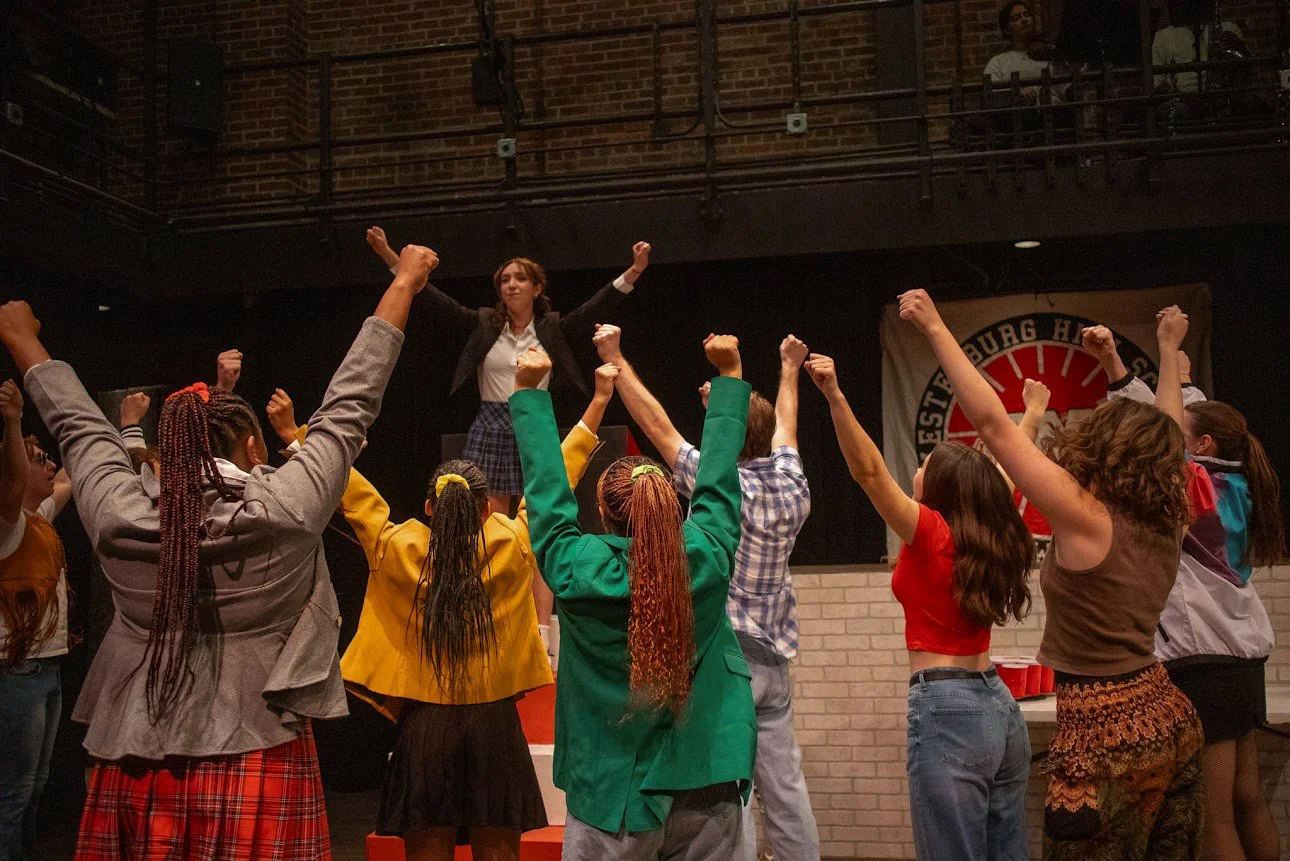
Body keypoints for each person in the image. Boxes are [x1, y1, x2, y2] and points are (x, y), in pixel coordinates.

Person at [0, 243, 439, 860]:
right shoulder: (285, 508)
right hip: (258, 747)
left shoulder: (120, 515)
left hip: (137, 756)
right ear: (254, 448)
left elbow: (78, 425)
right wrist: (404, 284)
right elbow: (350, 404)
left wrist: (22, 339)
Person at [263, 365, 618, 861]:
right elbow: (554, 480)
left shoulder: (397, 547)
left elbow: (348, 490)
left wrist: (293, 435)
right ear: (486, 510)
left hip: (425, 732)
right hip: (494, 730)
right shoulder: (512, 543)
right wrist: (598, 402)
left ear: (430, 508)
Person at [900, 289, 1203, 859]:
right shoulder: (1170, 517)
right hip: (1169, 716)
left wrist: (937, 328)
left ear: (1106, 449)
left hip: (1103, 733)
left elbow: (993, 426)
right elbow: (1167, 435)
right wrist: (1166, 352)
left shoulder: (1088, 518)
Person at [510, 338, 756, 860]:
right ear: (669, 507)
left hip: (611, 793)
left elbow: (548, 500)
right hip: (705, 780)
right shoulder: (705, 557)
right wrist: (730, 379)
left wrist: (530, 394)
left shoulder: (576, 567)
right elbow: (717, 485)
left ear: (603, 512)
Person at [367, 226, 651, 658]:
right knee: (491, 528)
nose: (511, 285)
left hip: (533, 420)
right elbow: (432, 298)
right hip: (492, 424)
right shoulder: (485, 323)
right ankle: (494, 619)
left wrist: (633, 271)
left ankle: (542, 631)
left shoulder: (551, 328)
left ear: (536, 288)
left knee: (542, 525)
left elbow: (596, 306)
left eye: (520, 278)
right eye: (504, 280)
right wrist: (391, 256)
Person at [592, 323, 818, 861]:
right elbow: (786, 427)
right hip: (775, 661)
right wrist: (789, 370)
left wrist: (616, 357)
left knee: (726, 791)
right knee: (786, 790)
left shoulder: (718, 482)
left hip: (727, 661)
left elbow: (655, 424)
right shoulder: (793, 484)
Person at [803, 353, 1034, 860]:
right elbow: (1005, 475)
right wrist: (1033, 414)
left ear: (942, 487)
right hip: (999, 707)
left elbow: (869, 472)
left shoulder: (931, 532)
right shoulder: (986, 534)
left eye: (925, 465)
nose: (917, 469)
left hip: (948, 707)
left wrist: (835, 396)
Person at [1084, 324, 1282, 861]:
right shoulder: (1235, 482)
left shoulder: (1192, 486)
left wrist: (1153, 357)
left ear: (1202, 446)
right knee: (1248, 799)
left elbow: (1160, 436)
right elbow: (1182, 420)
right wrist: (1125, 365)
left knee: (1214, 817)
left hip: (1205, 663)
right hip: (1243, 658)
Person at [0, 381, 73, 861]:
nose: (49, 466)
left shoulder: (39, 516)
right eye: (40, 459)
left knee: (35, 786)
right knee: (15, 791)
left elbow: (69, 478)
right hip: (19, 670)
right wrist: (13, 422)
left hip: (46, 668)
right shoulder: (7, 524)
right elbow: (9, 476)